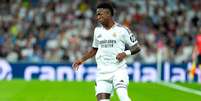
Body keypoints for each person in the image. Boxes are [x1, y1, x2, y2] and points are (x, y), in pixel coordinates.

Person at [72, 2, 140, 101]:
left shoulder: (123, 30)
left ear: (108, 14)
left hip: (118, 70)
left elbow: (137, 47)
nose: (97, 17)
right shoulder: (97, 31)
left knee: (123, 97)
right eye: (97, 14)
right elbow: (94, 49)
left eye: (100, 14)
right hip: (102, 72)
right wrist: (81, 60)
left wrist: (125, 53)